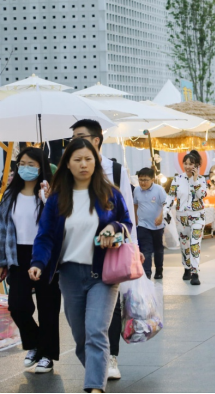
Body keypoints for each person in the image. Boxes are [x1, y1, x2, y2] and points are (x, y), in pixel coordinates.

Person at [29, 139, 132, 394]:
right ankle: (96, 375)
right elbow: (45, 235)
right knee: (80, 337)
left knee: (96, 330)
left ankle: (94, 387)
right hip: (70, 275)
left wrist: (114, 227)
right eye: (77, 160)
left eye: (88, 159)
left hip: (104, 274)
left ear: (95, 162)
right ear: (68, 164)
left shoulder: (110, 194)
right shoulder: (57, 199)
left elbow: (127, 223)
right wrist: (38, 262)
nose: (83, 164)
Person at [70, 119, 138, 381]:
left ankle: (110, 358)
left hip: (110, 250)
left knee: (110, 310)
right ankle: (95, 362)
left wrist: (132, 245)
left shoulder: (115, 169)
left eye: (80, 136)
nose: (75, 141)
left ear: (96, 139)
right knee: (80, 323)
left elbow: (127, 211)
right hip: (74, 258)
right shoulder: (69, 170)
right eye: (73, 137)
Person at [0, 147, 60, 374]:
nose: (25, 168)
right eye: (22, 163)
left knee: (48, 307)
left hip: (45, 254)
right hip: (18, 255)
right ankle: (35, 344)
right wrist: (3, 260)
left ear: (41, 167)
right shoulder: (9, 194)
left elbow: (59, 224)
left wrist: (48, 199)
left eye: (31, 164)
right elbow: (3, 229)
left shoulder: (51, 193)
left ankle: (47, 355)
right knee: (17, 305)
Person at [164, 150, 207, 286]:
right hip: (182, 217)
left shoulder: (201, 179)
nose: (188, 166)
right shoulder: (177, 179)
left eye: (191, 164)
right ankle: (187, 267)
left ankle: (195, 272)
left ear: (197, 165)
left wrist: (194, 181)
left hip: (197, 216)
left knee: (195, 244)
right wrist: (165, 210)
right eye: (186, 163)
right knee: (184, 245)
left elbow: (202, 195)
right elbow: (170, 196)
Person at [133, 167, 167, 280]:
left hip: (157, 225)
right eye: (140, 179)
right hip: (143, 225)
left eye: (145, 180)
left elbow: (166, 205)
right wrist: (135, 218)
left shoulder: (159, 190)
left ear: (152, 179)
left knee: (158, 249)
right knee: (145, 249)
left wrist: (160, 216)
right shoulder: (136, 190)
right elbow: (135, 205)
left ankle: (159, 269)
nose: (143, 182)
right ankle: (147, 273)